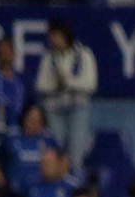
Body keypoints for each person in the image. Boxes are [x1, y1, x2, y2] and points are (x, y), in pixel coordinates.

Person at [35, 19, 97, 170]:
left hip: (78, 108)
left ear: (64, 35)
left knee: (75, 153)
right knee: (57, 148)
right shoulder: (49, 57)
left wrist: (69, 83)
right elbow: (40, 85)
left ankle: (74, 183)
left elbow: (91, 84)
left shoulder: (84, 54)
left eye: (55, 36)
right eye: (50, 36)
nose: (52, 40)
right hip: (55, 109)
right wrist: (55, 85)